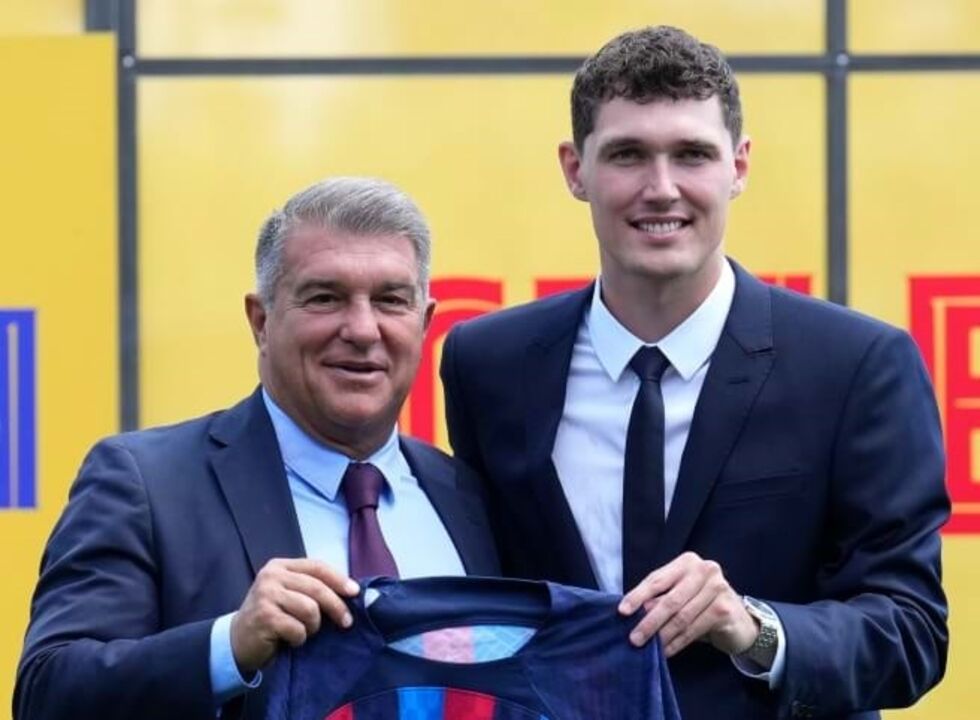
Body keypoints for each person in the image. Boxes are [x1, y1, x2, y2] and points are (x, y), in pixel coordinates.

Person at [440, 26, 948, 719]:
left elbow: (911, 631)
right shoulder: (487, 363)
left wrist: (753, 627)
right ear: (575, 169)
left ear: (738, 166)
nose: (661, 189)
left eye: (692, 155)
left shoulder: (858, 366)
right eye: (627, 154)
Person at [15, 177, 499, 720]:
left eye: (390, 300)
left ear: (425, 323)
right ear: (261, 321)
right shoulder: (145, 483)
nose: (363, 329)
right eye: (325, 298)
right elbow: (47, 692)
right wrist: (228, 647)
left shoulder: (472, 497)